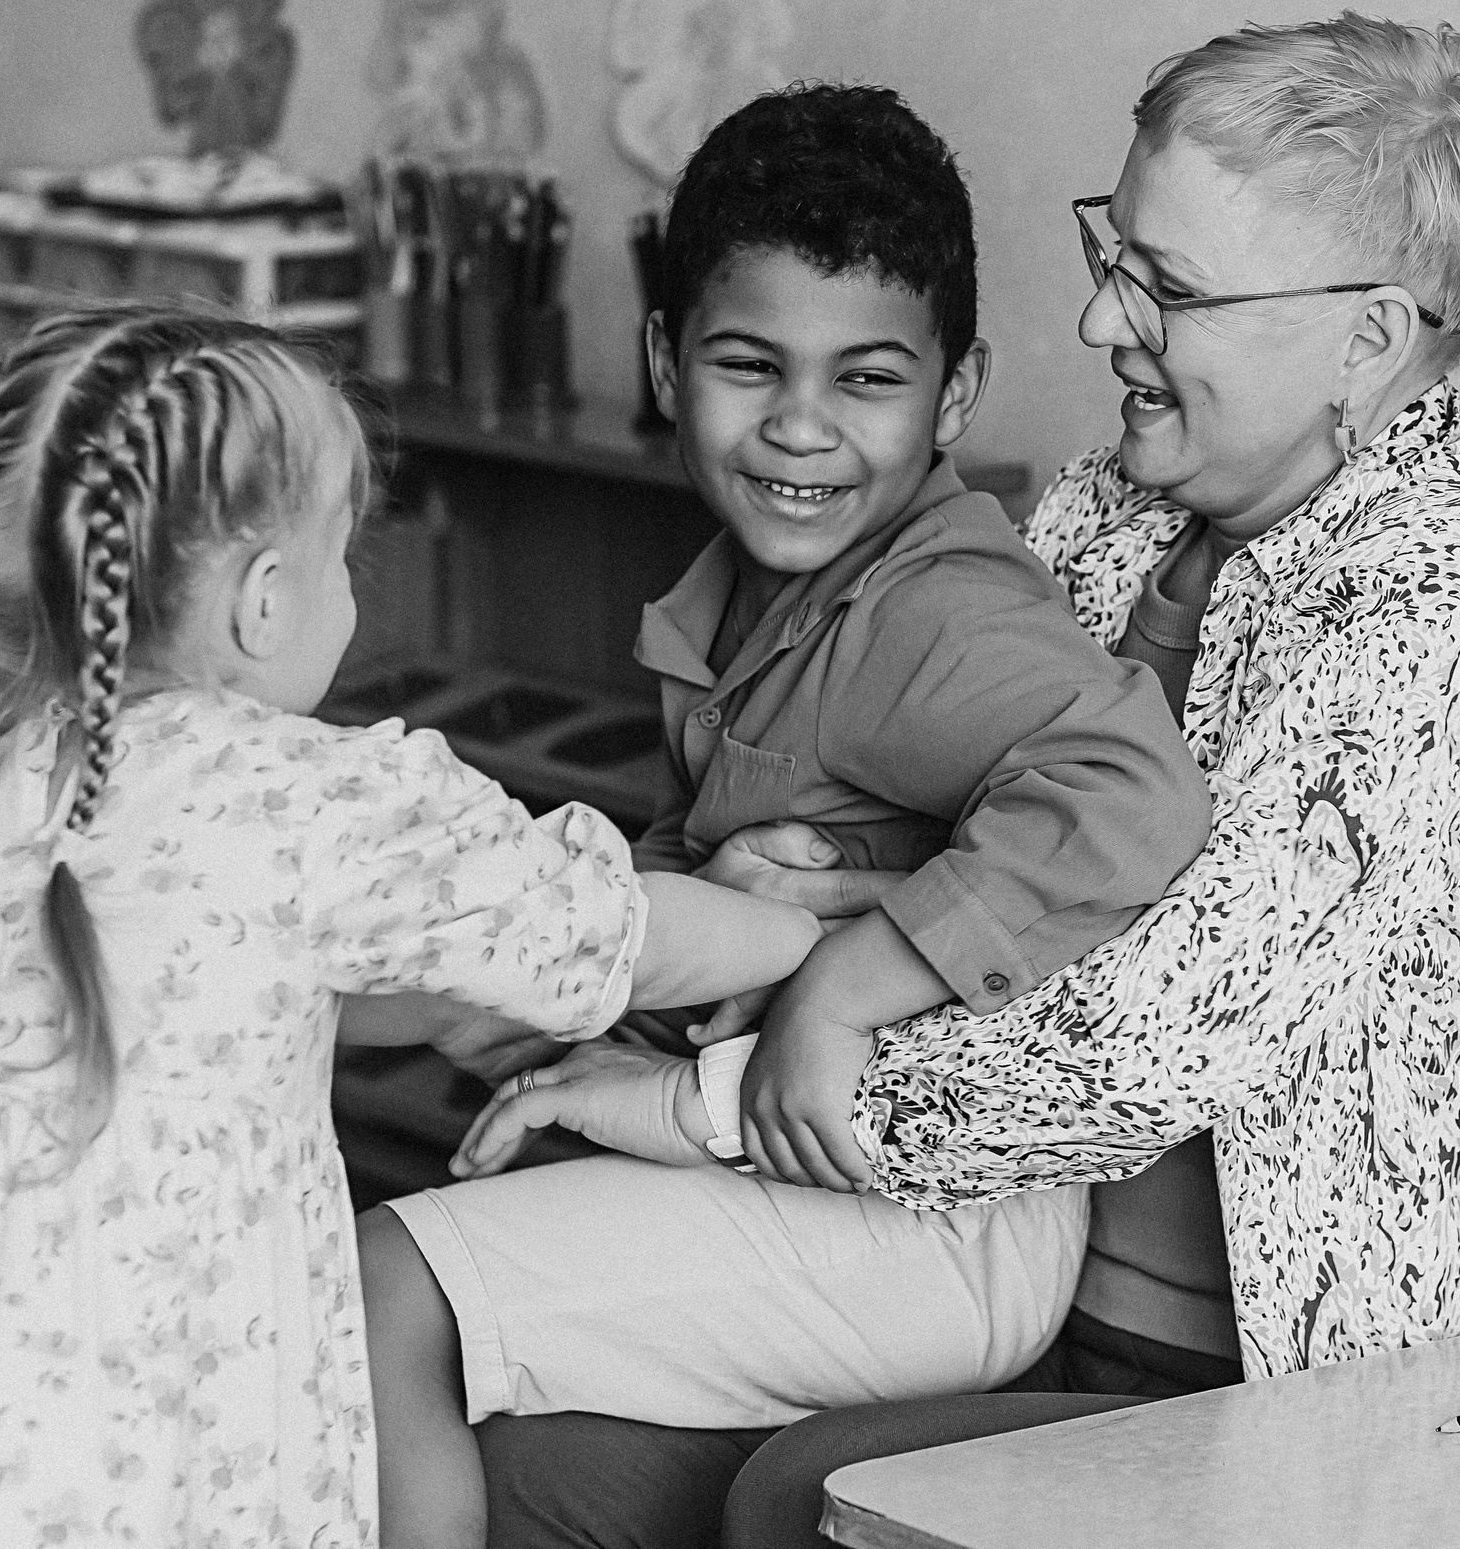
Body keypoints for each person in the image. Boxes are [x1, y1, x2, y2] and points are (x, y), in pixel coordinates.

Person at [468, 12, 1460, 1549]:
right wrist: (830, 891)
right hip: (1027, 1287)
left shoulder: (1459, 596)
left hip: (1357, 1405)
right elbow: (1014, 873)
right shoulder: (1108, 513)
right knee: (540, 1455)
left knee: (792, 1502)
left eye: (1165, 289)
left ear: (1368, 340)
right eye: (1117, 253)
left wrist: (699, 1095)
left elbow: (1144, 1035)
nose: (1105, 324)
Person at [357, 83, 1212, 1549]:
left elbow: (1134, 795)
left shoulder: (928, 611)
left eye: (867, 381)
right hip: (830, 1176)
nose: (800, 428)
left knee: (388, 1292)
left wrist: (840, 986)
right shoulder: (759, 604)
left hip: (936, 1228)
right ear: (665, 364)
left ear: (954, 396)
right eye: (750, 366)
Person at [0, 308, 833, 1547]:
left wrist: (455, 1003)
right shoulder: (310, 799)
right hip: (184, 1418)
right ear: (263, 601)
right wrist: (794, 929)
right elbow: (609, 932)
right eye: (344, 554)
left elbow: (224, 991)